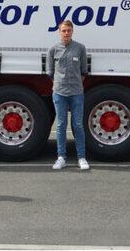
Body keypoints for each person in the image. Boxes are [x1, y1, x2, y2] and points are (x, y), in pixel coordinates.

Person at [47, 20, 89, 170]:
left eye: (69, 30)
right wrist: (59, 84)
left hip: (77, 93)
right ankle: (61, 157)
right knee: (61, 125)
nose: (66, 33)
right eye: (63, 30)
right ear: (59, 32)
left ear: (72, 31)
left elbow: (83, 71)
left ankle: (81, 157)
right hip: (59, 93)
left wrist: (75, 84)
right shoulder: (53, 50)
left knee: (77, 125)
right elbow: (51, 73)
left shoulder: (80, 48)